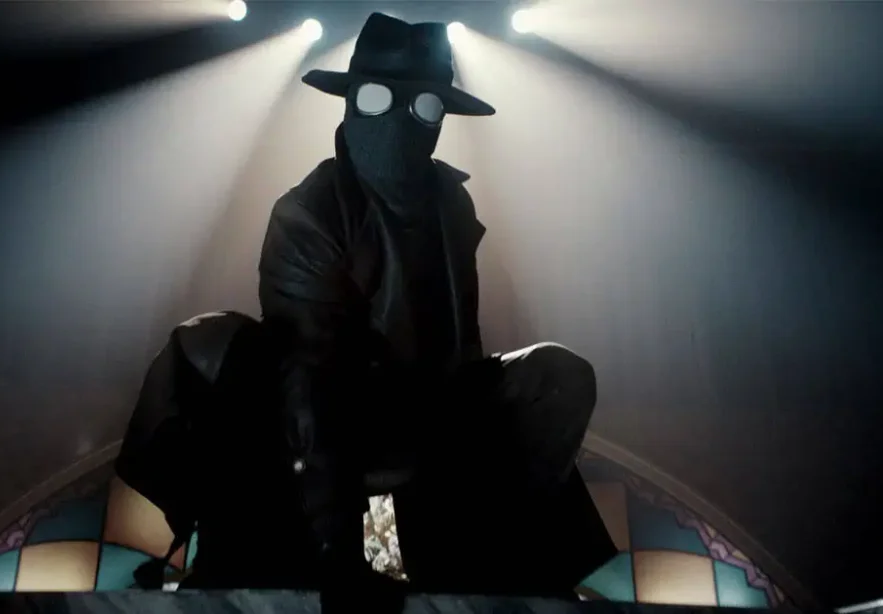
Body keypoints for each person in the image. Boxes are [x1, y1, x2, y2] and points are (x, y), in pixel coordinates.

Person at [116, 12, 616, 603]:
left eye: (424, 107)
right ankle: (243, 549)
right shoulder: (310, 212)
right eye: (379, 99)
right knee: (210, 345)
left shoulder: (450, 208)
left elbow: (463, 347)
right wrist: (337, 557)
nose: (402, 124)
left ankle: (505, 562)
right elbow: (308, 373)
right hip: (323, 409)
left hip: (432, 407)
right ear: (353, 103)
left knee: (558, 375)